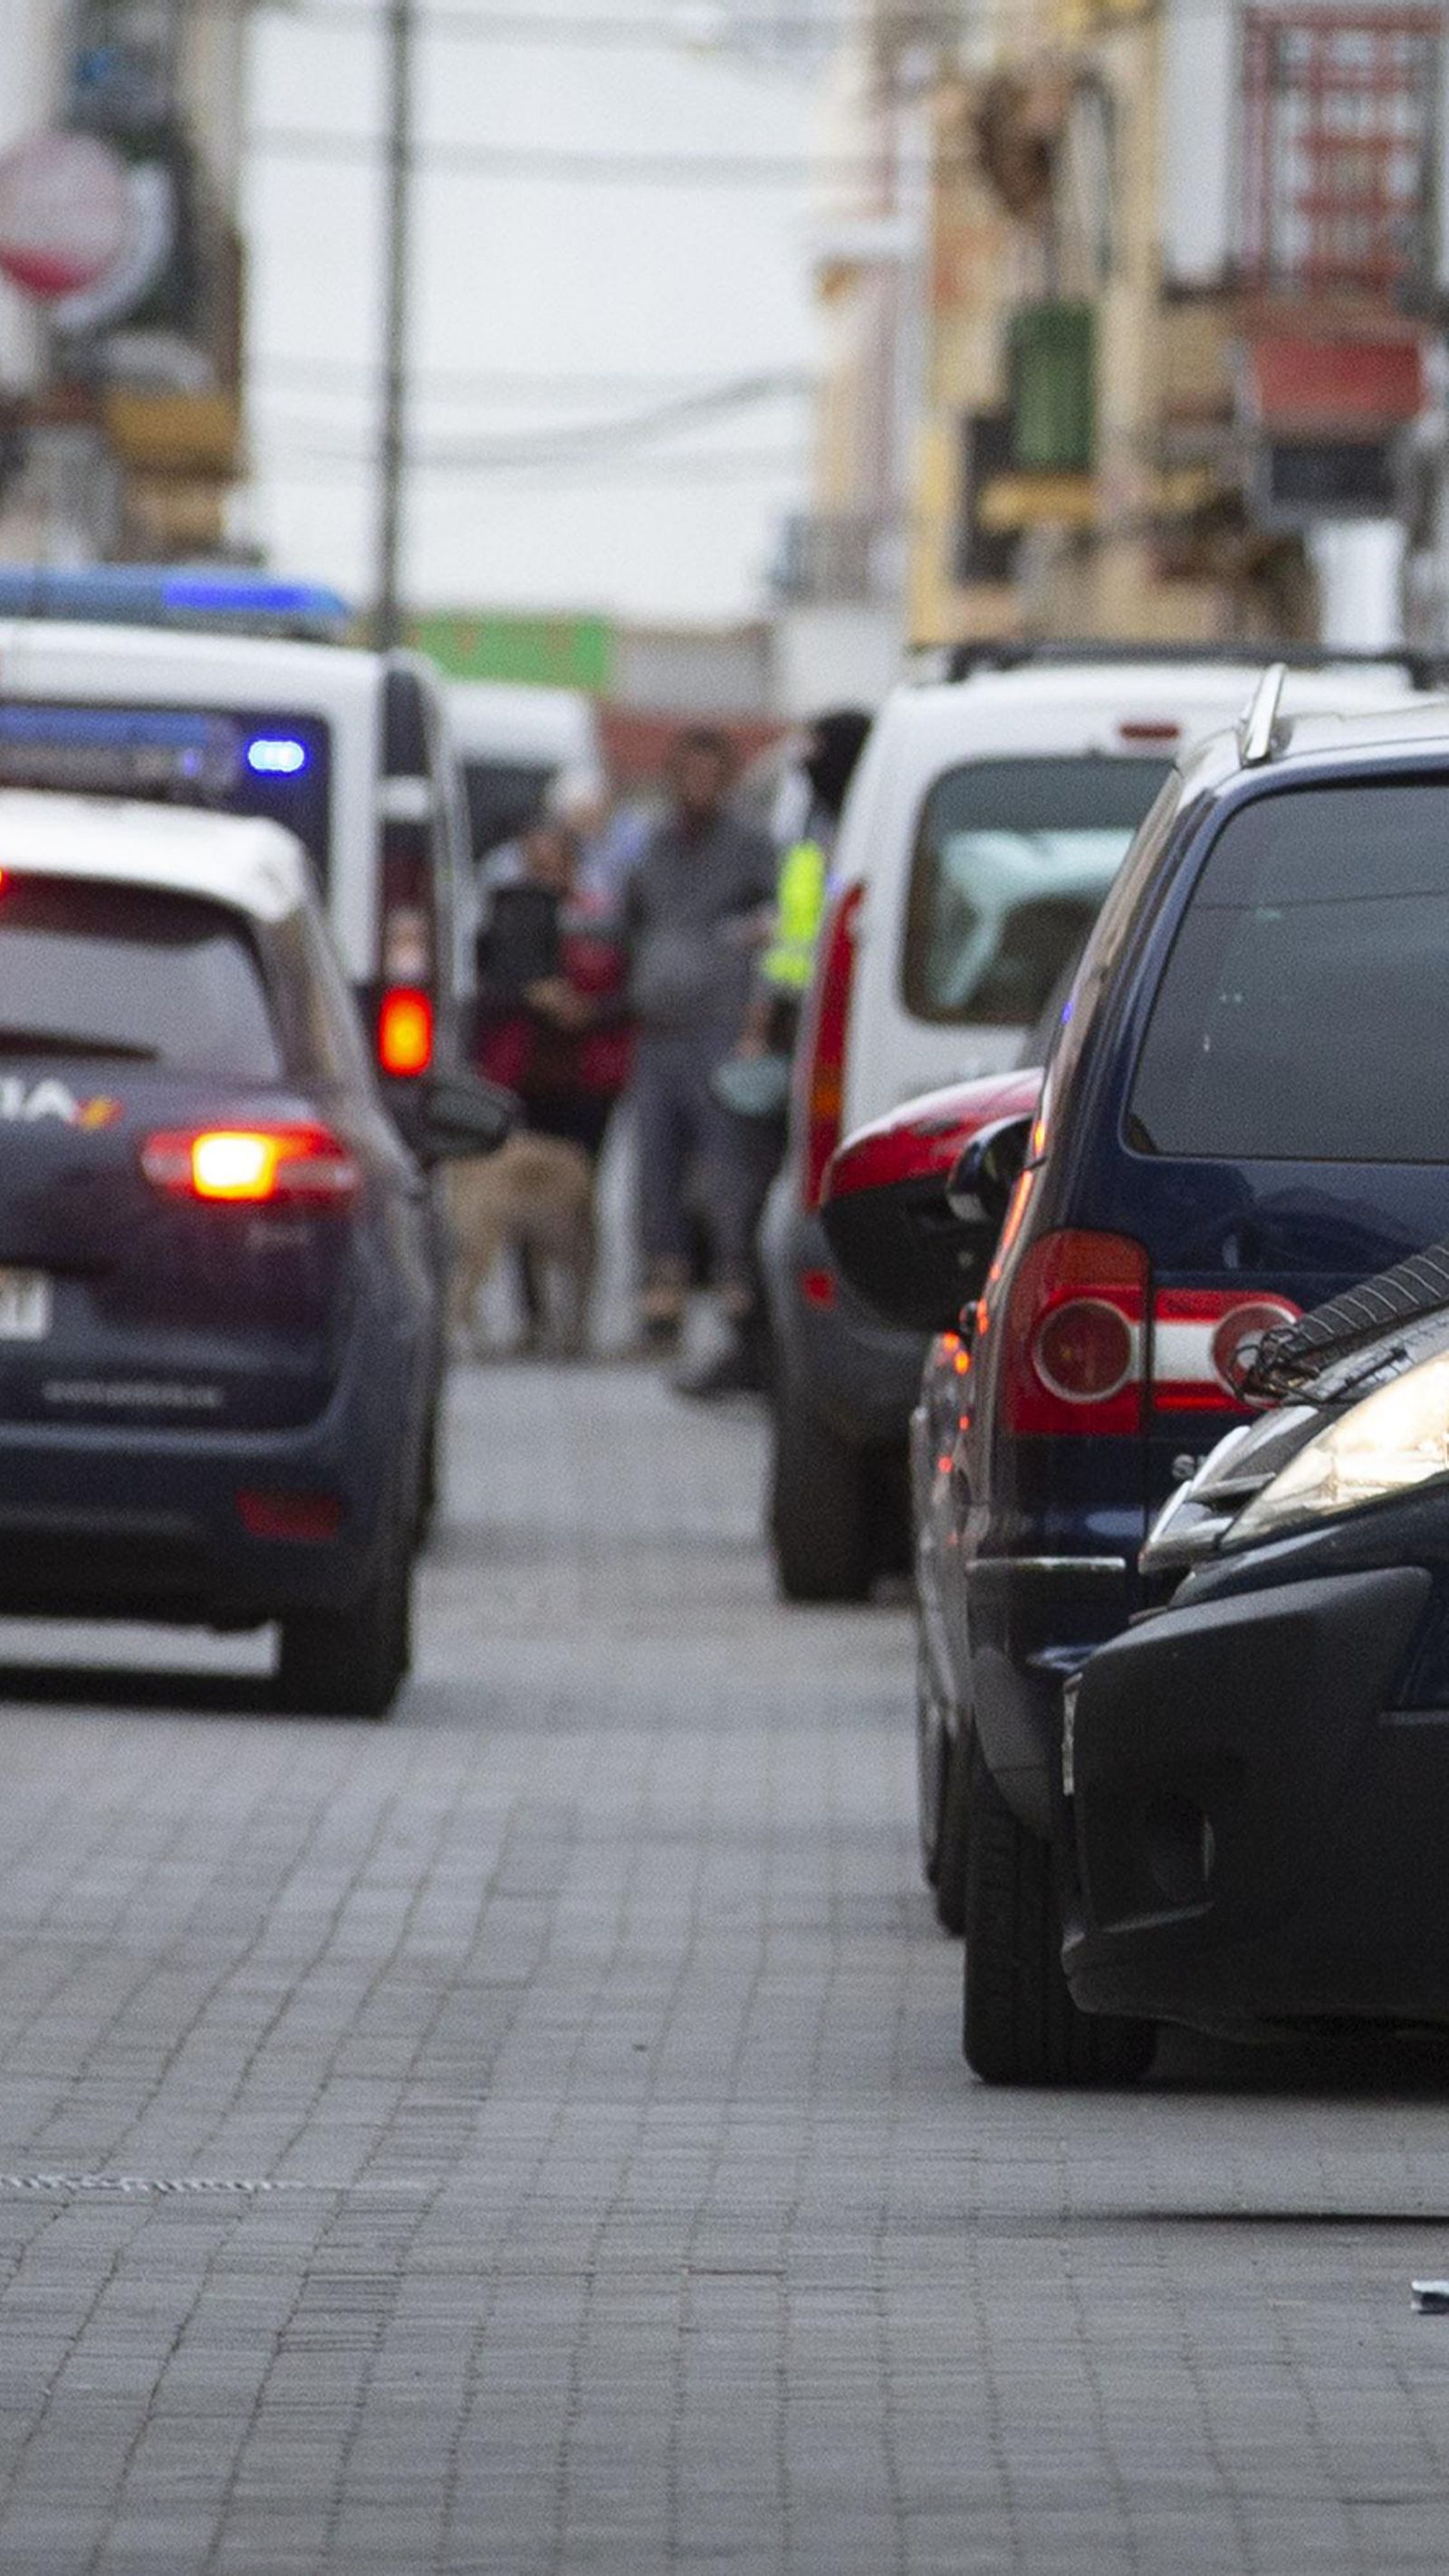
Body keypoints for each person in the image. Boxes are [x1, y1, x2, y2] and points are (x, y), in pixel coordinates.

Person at [674, 707, 873, 1399]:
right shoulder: (829, 830)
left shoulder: (858, 826)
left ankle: (768, 1347)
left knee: (768, 1196)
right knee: (757, 1199)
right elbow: (794, 940)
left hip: (827, 1034)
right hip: (802, 1031)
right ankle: (760, 1344)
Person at [621, 726, 776, 1350]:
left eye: (711, 776)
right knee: (654, 1162)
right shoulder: (653, 845)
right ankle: (664, 1281)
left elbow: (777, 928)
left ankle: (735, 1276)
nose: (699, 788)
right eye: (689, 775)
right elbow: (629, 922)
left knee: (727, 1160)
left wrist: (755, 1019)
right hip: (658, 1031)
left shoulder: (750, 847)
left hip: (721, 1026)